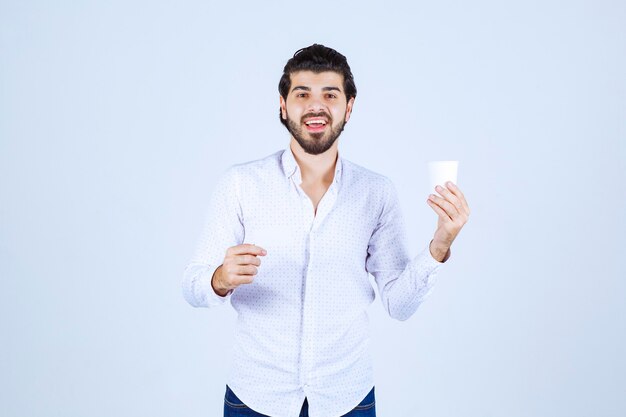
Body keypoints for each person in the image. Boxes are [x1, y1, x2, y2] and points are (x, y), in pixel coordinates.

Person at [182, 44, 470, 417]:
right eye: (302, 94)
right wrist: (219, 278)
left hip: (347, 397)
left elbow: (399, 304)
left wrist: (439, 245)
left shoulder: (376, 192)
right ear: (283, 105)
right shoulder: (240, 184)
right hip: (255, 395)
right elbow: (191, 284)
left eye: (330, 95)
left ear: (349, 107)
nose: (316, 106)